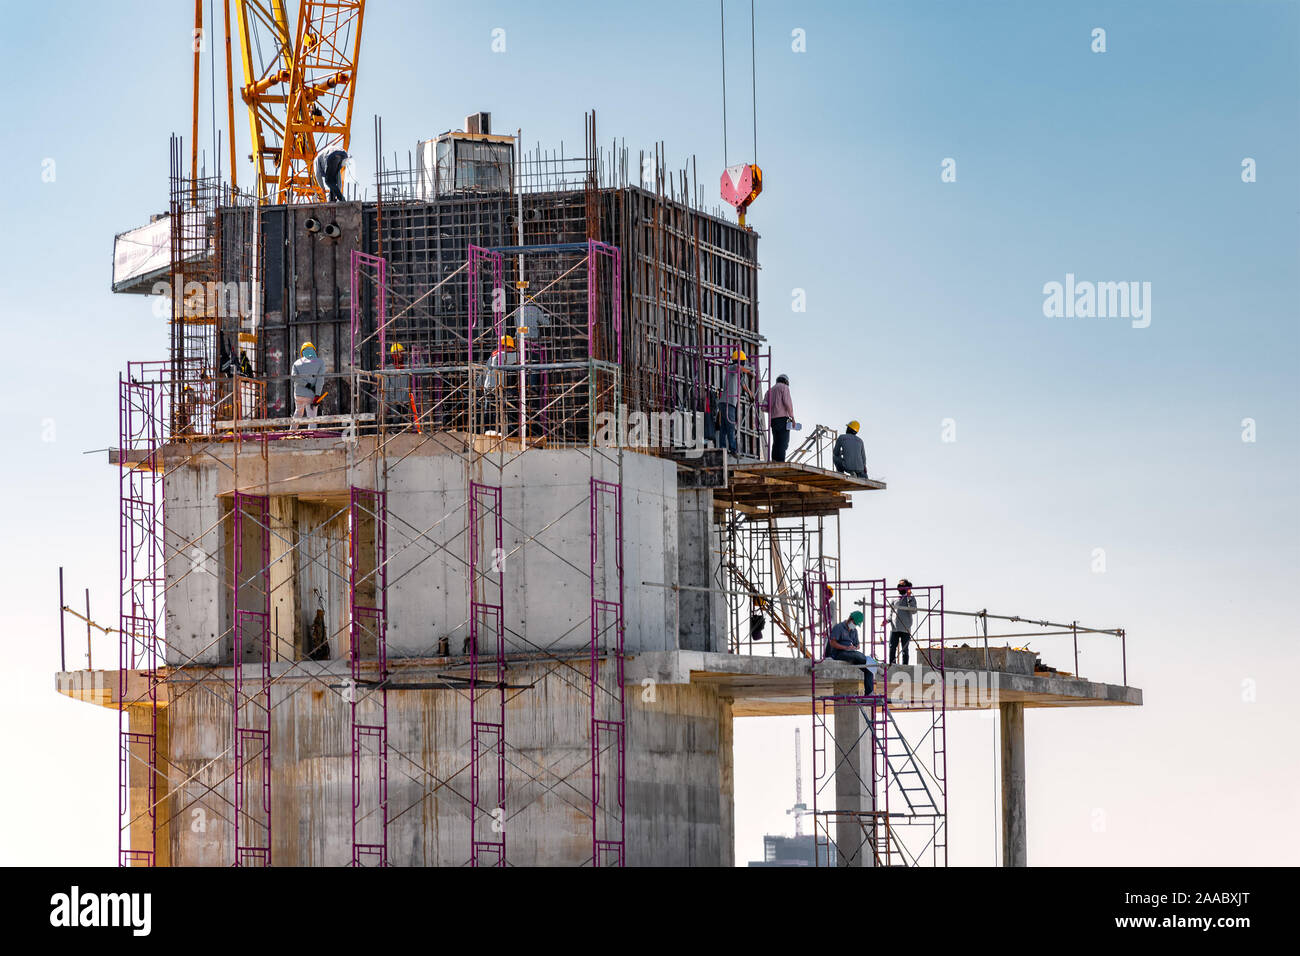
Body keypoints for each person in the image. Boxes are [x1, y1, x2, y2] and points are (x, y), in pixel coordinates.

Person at [824, 610, 878, 695]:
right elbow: (832, 643)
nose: (855, 625)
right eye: (855, 623)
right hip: (839, 653)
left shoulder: (854, 631)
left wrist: (855, 647)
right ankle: (872, 662)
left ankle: (869, 693)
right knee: (856, 655)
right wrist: (846, 647)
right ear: (850, 619)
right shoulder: (839, 627)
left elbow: (857, 645)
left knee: (868, 668)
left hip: (851, 654)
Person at [719, 348, 755, 457]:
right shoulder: (732, 368)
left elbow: (742, 383)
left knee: (724, 428)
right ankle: (733, 450)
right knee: (730, 426)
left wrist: (750, 394)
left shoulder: (737, 373)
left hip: (727, 403)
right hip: (727, 402)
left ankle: (722, 449)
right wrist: (748, 371)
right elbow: (738, 367)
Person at [291, 341, 326, 429]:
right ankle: (312, 436)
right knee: (312, 417)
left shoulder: (296, 363)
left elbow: (294, 377)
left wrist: (306, 384)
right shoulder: (320, 362)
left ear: (302, 352)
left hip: (298, 395)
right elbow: (320, 380)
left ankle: (291, 432)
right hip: (311, 395)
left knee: (298, 413)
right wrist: (317, 394)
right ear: (313, 351)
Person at [762, 373, 795, 462]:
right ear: (786, 381)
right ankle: (780, 461)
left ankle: (774, 460)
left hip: (773, 420)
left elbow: (763, 407)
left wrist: (774, 408)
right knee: (783, 442)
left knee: (776, 441)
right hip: (783, 419)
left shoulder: (769, 391)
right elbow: (788, 403)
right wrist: (792, 417)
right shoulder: (784, 388)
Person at [889, 578, 917, 665]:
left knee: (905, 649)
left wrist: (909, 596)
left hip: (905, 628)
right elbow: (891, 613)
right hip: (895, 628)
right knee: (892, 647)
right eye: (899, 585)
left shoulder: (911, 598)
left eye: (902, 586)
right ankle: (892, 665)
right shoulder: (894, 599)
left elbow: (913, 610)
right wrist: (886, 620)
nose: (900, 587)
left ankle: (905, 666)